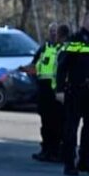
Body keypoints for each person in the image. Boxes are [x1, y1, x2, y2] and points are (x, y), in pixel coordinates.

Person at [57, 11, 89, 176]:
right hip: (76, 90)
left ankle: (84, 162)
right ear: (84, 21)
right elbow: (62, 66)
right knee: (71, 128)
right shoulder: (75, 39)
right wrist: (59, 89)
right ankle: (69, 164)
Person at [22, 22, 65, 162]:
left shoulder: (64, 49)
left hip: (58, 92)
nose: (53, 33)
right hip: (44, 90)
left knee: (59, 124)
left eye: (56, 31)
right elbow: (34, 66)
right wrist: (26, 70)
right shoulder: (44, 48)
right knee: (46, 124)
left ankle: (58, 152)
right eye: (51, 31)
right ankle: (46, 150)